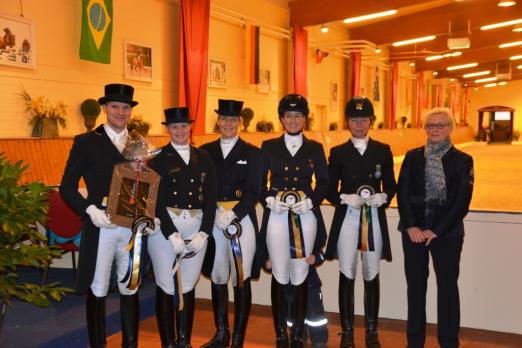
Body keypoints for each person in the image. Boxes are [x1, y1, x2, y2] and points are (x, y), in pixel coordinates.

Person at [60, 83, 143, 347]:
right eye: (115, 106)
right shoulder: (86, 142)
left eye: (125, 107)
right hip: (102, 225)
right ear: (105, 108)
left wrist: (148, 215)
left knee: (131, 286)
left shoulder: (138, 144)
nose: (120, 112)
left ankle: (130, 343)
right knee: (98, 288)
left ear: (131, 111)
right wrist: (89, 210)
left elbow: (146, 185)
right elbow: (67, 187)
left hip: (131, 227)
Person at [397, 107, 474, 348]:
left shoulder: (463, 160)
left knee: (448, 289)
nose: (435, 129)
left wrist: (436, 230)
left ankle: (449, 342)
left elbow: (462, 201)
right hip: (414, 232)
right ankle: (415, 341)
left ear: (450, 128)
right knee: (416, 289)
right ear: (425, 129)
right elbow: (403, 193)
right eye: (431, 125)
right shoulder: (412, 156)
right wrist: (411, 226)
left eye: (441, 125)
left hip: (447, 233)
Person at [325, 97, 397, 348]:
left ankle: (371, 329)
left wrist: (383, 197)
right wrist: (344, 198)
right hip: (348, 217)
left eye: (363, 119)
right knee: (347, 271)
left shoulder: (383, 150)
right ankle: (346, 331)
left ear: (370, 121)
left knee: (371, 272)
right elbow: (328, 189)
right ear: (347, 122)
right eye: (354, 120)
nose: (358, 124)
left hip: (373, 218)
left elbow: (391, 185)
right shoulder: (337, 153)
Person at [259, 94, 329, 348]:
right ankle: (281, 333)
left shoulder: (315, 148)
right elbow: (258, 182)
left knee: (300, 272)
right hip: (277, 214)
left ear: (305, 119)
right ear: (281, 118)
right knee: (279, 273)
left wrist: (311, 200)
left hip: (304, 214)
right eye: (288, 115)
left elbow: (324, 181)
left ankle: (299, 332)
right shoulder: (268, 146)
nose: (292, 119)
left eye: (298, 115)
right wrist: (269, 199)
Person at [148, 107, 217, 348]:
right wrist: (170, 233)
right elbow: (153, 199)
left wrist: (204, 232)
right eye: (174, 126)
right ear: (167, 129)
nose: (179, 130)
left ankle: (184, 341)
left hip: (196, 224)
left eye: (184, 126)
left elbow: (211, 198)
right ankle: (168, 342)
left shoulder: (204, 157)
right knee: (166, 284)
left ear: (190, 127)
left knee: (188, 284)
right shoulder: (156, 158)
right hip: (166, 224)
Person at [199, 99, 261, 348]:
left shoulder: (252, 153)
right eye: (224, 119)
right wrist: (213, 212)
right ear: (218, 121)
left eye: (233, 120)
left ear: (240, 123)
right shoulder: (204, 152)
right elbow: (201, 186)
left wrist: (234, 214)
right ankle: (221, 331)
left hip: (240, 220)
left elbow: (253, 190)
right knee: (218, 274)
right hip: (213, 220)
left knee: (240, 275)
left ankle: (238, 337)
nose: (228, 123)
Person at [286, 252, 329, 348]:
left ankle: (319, 339)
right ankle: (298, 335)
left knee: (315, 314)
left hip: (311, 285)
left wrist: (316, 257)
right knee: (292, 314)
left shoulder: (309, 238)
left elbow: (321, 254)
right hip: (290, 287)